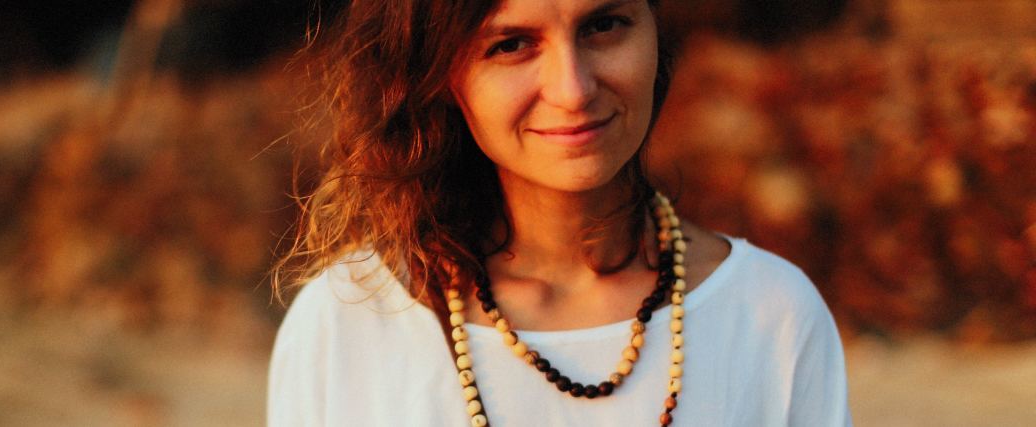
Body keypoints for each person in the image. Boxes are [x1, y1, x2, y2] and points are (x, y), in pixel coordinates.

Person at [268, 0, 851, 425]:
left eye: (603, 25)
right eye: (511, 44)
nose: (572, 89)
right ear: (442, 77)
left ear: (655, 34)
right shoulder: (349, 325)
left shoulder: (772, 317)